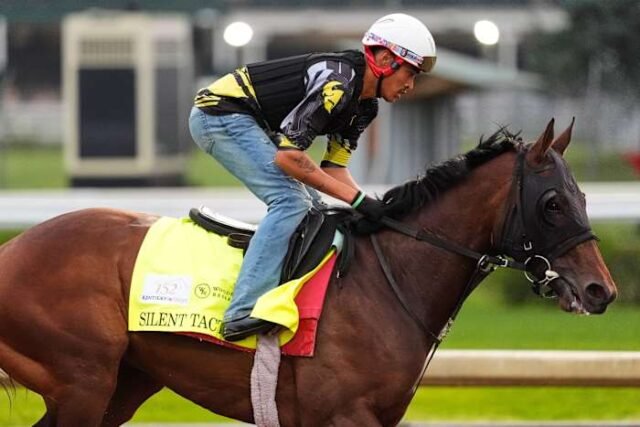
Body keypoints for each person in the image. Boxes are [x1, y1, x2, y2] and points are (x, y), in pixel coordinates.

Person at [189, 13, 437, 341]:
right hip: (219, 115)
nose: (410, 85)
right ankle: (243, 309)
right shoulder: (338, 83)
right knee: (290, 202)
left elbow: (334, 170)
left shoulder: (366, 108)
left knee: (316, 210)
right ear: (384, 60)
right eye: (410, 73)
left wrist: (371, 205)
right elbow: (290, 158)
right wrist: (358, 202)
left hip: (250, 122)